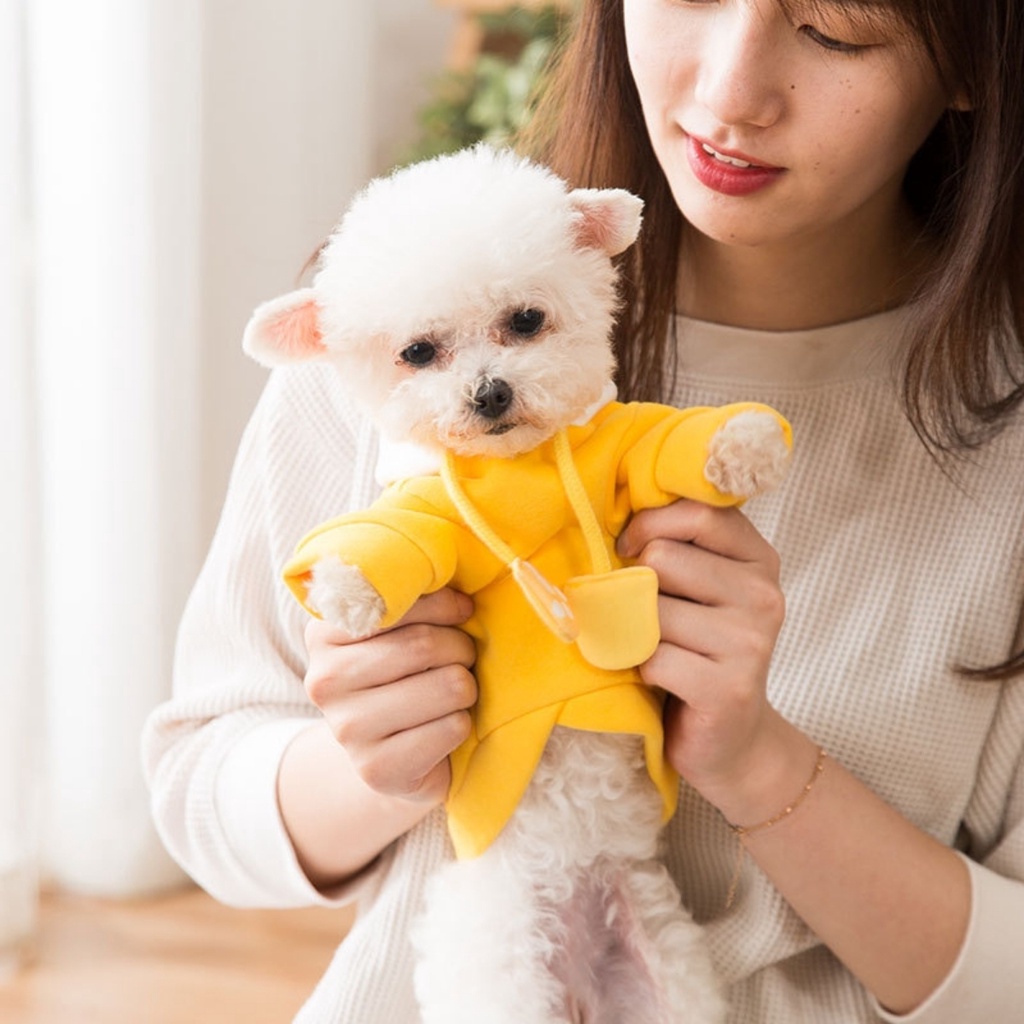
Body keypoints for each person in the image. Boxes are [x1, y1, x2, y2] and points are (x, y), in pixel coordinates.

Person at [142, 0, 1024, 1020]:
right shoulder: (399, 319)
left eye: (835, 30)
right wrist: (379, 762)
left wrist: (760, 764)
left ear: (974, 60)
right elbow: (199, 792)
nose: (731, 93)